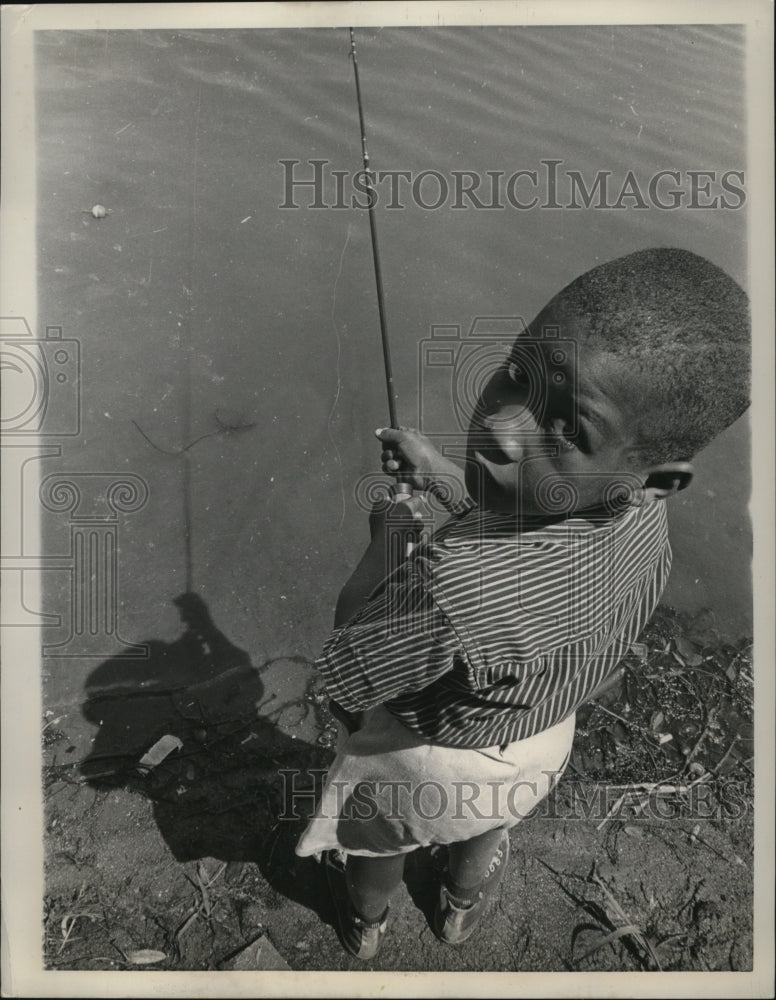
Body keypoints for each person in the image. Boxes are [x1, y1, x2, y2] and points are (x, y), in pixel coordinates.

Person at [295, 247, 750, 960]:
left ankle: (365, 919)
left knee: (378, 838)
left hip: (428, 762)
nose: (504, 427)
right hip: (539, 739)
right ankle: (459, 904)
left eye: (569, 428)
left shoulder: (451, 591)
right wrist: (444, 475)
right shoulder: (646, 512)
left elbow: (346, 671)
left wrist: (390, 536)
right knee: (485, 826)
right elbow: (529, 525)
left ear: (645, 471)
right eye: (517, 374)